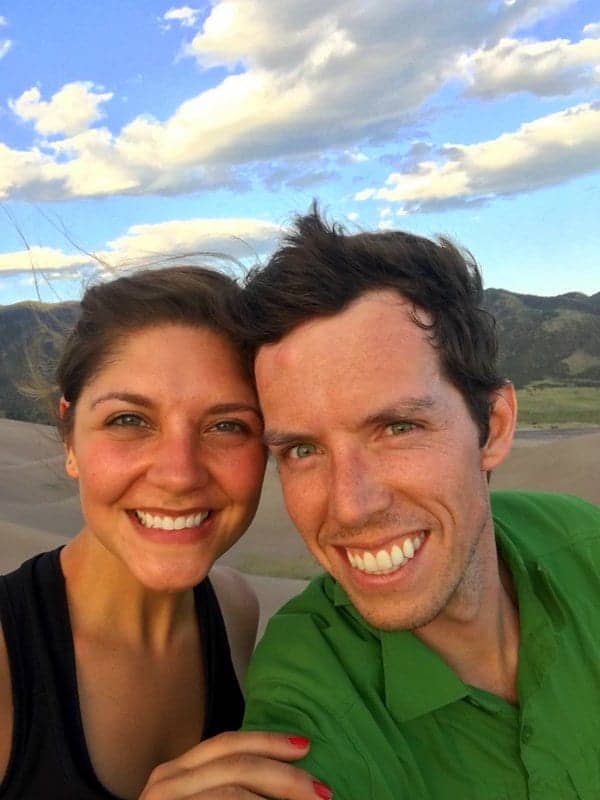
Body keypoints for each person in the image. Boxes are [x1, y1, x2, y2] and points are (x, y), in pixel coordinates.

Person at [237, 207, 600, 798]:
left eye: (398, 428)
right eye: (303, 449)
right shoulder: (309, 694)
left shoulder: (585, 544)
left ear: (495, 426)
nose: (350, 506)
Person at [0, 266, 331, 800]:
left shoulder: (233, 608)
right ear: (69, 439)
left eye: (227, 426)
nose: (180, 474)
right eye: (129, 420)